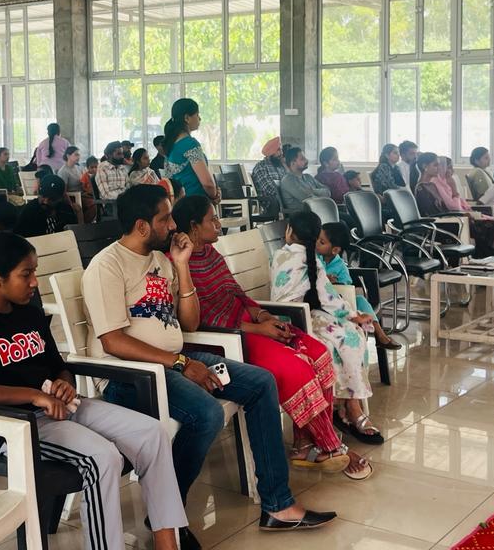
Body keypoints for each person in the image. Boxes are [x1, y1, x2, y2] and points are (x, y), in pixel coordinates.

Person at [84, 185, 336, 541]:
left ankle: (277, 505)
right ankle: (167, 516)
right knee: (206, 413)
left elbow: (188, 323)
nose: (173, 226)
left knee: (260, 383)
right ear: (142, 226)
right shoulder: (107, 266)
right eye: (164, 219)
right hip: (132, 376)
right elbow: (113, 341)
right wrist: (180, 363)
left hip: (175, 362)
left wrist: (182, 267)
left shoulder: (161, 261)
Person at [0, 233, 187, 550]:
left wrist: (64, 382)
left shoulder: (29, 313)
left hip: (64, 406)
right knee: (102, 458)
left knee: (152, 433)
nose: (34, 282)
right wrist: (34, 396)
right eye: (26, 274)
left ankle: (167, 542)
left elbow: (58, 366)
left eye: (34, 272)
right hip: (20, 424)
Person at [173, 197, 371, 480]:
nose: (218, 224)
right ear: (193, 226)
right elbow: (199, 320)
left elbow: (236, 292)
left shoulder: (210, 253)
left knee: (318, 353)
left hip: (248, 324)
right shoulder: (178, 262)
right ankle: (331, 446)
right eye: (212, 219)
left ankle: (303, 444)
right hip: (226, 338)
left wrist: (263, 315)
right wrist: (257, 329)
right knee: (297, 368)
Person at [269, 211, 380, 446]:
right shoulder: (283, 257)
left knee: (350, 334)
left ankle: (350, 402)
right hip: (290, 321)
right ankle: (341, 407)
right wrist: (352, 315)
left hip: (309, 315)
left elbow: (327, 295)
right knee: (329, 345)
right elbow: (321, 297)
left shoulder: (310, 258)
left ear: (290, 231)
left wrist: (352, 316)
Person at [319, 222, 399, 351]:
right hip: (321, 301)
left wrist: (334, 283)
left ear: (335, 250)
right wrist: (323, 278)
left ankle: (379, 333)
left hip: (338, 298)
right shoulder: (314, 258)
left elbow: (347, 286)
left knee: (360, 300)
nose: (316, 243)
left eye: (321, 242)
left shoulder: (340, 266)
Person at [414, 155, 494, 257]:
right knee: (491, 227)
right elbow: (432, 214)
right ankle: (489, 257)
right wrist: (459, 214)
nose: (439, 168)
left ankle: (492, 258)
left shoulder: (431, 185)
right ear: (424, 166)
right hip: (440, 225)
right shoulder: (421, 188)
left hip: (449, 219)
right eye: (435, 165)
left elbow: (443, 208)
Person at [163, 98, 220, 202]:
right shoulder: (190, 144)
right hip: (197, 203)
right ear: (187, 118)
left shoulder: (170, 144)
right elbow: (208, 183)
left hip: (181, 203)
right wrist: (215, 195)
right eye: (197, 115)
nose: (200, 118)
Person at [277, 145, 331, 216]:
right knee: (341, 221)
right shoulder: (288, 180)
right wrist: (321, 195)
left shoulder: (308, 177)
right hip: (303, 217)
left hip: (319, 212)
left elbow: (328, 192)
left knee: (343, 218)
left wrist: (313, 191)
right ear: (293, 163)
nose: (306, 160)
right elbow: (309, 199)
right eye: (302, 159)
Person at [57, 146, 97, 223]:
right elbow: (63, 191)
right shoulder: (63, 171)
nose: (78, 157)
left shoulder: (79, 168)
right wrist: (71, 204)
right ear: (68, 156)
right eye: (76, 154)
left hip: (82, 194)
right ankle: (83, 225)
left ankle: (85, 224)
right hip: (72, 197)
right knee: (93, 205)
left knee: (98, 202)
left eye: (79, 155)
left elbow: (84, 182)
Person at [250, 136, 285, 219]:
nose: (282, 153)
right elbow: (269, 188)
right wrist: (288, 195)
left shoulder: (280, 166)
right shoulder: (261, 167)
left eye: (281, 149)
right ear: (270, 153)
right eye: (278, 150)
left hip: (283, 199)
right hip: (271, 202)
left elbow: (289, 183)